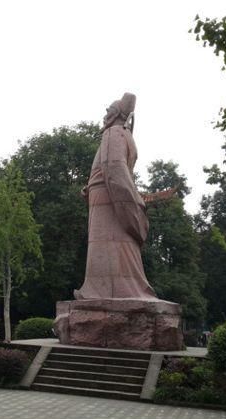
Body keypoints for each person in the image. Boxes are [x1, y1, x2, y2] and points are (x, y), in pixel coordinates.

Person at [75, 92, 157, 300]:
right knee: (117, 246)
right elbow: (110, 169)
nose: (105, 113)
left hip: (109, 196)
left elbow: (115, 169)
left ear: (117, 114)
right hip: (108, 193)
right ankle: (112, 290)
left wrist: (133, 199)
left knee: (111, 246)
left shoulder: (113, 133)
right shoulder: (122, 134)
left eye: (109, 109)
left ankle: (103, 292)